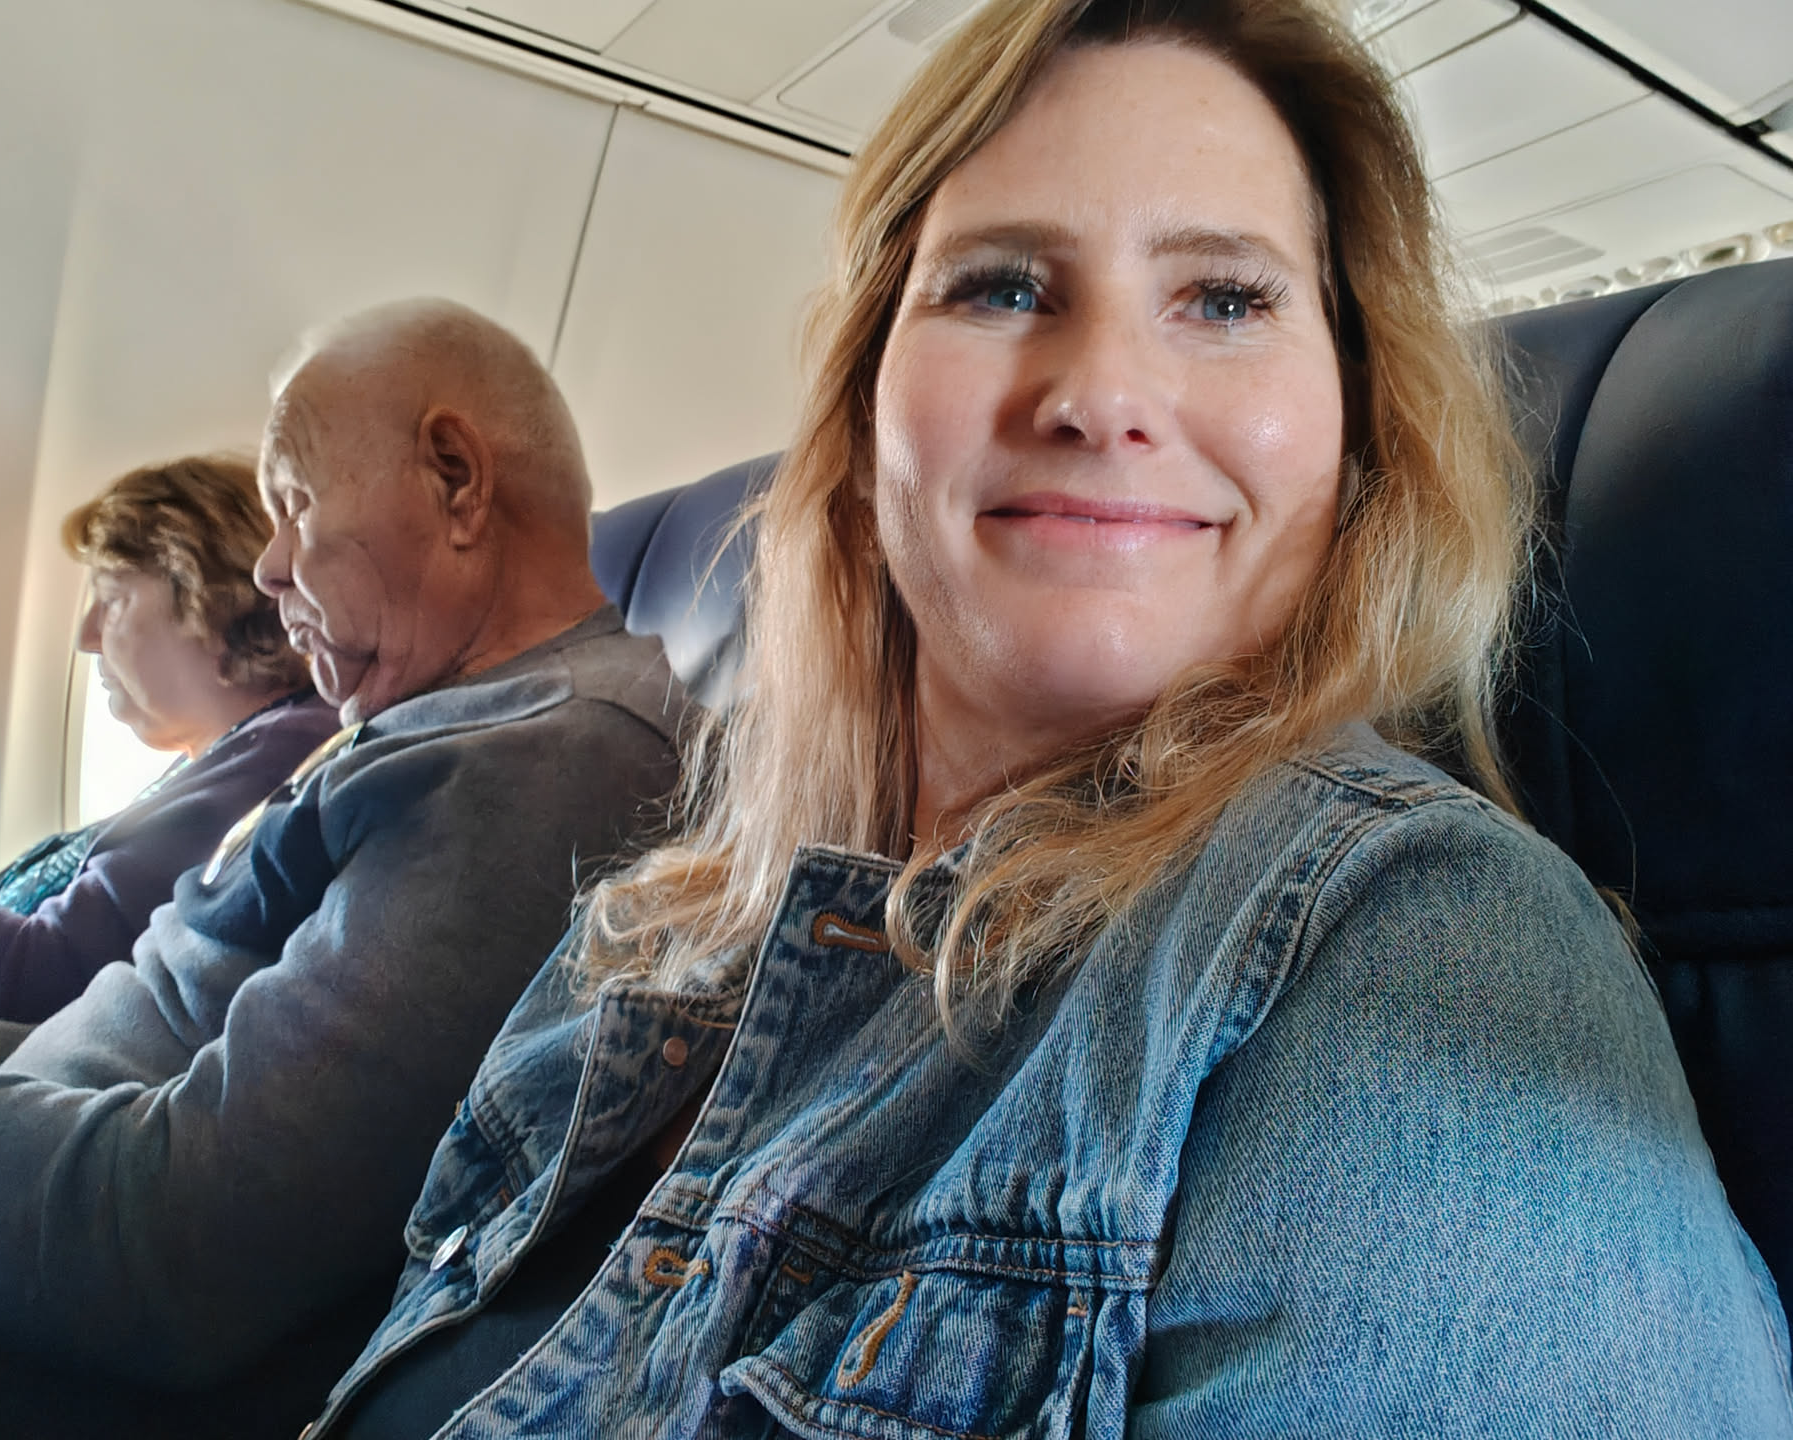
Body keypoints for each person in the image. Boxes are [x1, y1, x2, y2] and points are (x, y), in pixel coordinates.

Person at [307, 1, 1793, 1436]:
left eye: (1226, 299)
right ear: (868, 405)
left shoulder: (1416, 951)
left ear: (1355, 425)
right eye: (1004, 287)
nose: (1101, 393)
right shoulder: (653, 936)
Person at [0, 300, 687, 1438]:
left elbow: (184, 1248)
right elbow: (188, 1030)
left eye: (295, 504)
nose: (266, 566)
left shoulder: (552, 759)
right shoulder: (443, 722)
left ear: (457, 481)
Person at [0, 455, 340, 1038]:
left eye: (113, 599)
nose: (85, 636)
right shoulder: (230, 757)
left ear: (214, 598)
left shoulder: (285, 752)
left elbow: (39, 976)